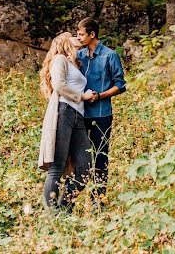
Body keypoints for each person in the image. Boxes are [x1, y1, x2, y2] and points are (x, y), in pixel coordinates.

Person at [38, 32, 94, 212]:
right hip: (64, 112)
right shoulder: (59, 60)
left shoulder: (74, 64)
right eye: (72, 35)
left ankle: (65, 207)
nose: (77, 36)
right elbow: (59, 86)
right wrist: (81, 96)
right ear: (63, 42)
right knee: (57, 166)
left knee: (85, 166)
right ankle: (53, 215)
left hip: (78, 116)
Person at [76, 17, 126, 204]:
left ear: (92, 34)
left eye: (81, 34)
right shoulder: (79, 55)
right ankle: (73, 196)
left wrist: (101, 95)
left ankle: (99, 199)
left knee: (100, 157)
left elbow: (120, 85)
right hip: (80, 113)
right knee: (81, 156)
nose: (78, 37)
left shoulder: (109, 55)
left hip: (101, 114)